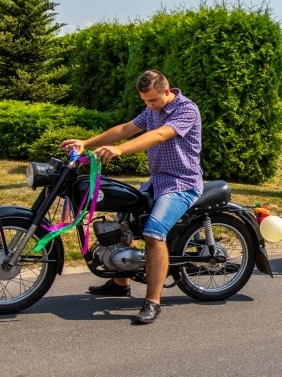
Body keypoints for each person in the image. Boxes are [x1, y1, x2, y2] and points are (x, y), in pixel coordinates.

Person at [60, 69, 203, 323]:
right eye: (145, 101)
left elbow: (158, 135)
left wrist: (119, 150)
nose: (149, 106)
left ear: (167, 91)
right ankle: (120, 282)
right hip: (156, 181)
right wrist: (86, 141)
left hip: (181, 184)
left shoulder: (186, 110)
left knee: (153, 232)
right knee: (122, 219)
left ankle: (153, 301)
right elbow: (126, 128)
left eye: (153, 100)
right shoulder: (152, 109)